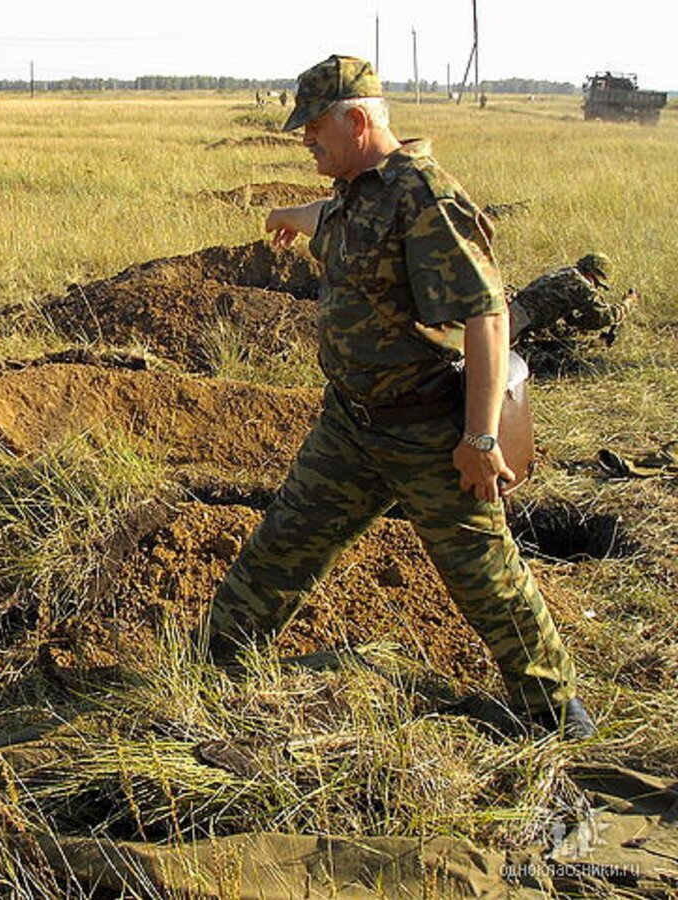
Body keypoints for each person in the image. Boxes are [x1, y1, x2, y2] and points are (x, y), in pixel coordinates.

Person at [206, 55, 594, 739]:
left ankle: (556, 716)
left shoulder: (425, 195)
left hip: (429, 435)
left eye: (314, 128)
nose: (304, 140)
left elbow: (487, 316)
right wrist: (289, 214)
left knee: (485, 580)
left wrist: (478, 441)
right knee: (280, 546)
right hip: (350, 429)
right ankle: (209, 670)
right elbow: (336, 220)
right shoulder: (360, 188)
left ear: (357, 120)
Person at [509, 252, 637, 350]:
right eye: (597, 284)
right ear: (593, 275)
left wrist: (581, 324)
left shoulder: (566, 272)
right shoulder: (580, 285)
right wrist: (628, 303)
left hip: (514, 313)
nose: (596, 288)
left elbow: (569, 318)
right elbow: (604, 316)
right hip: (517, 324)